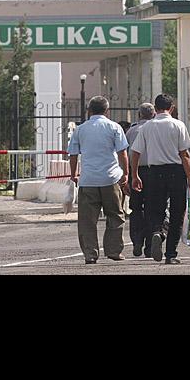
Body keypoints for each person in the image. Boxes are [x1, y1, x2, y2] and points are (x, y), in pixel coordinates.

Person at [130, 94, 190, 264]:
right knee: (176, 213)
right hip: (175, 172)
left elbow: (135, 152)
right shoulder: (178, 125)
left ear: (156, 107)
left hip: (154, 172)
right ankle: (171, 254)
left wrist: (135, 175)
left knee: (155, 209)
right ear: (172, 108)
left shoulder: (147, 127)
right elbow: (185, 154)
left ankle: (157, 233)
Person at [67, 95, 130, 264]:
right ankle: (114, 251)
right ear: (107, 111)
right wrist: (126, 174)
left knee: (87, 220)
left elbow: (73, 154)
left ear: (89, 110)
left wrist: (73, 174)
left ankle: (90, 254)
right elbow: (122, 153)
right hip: (111, 178)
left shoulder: (80, 129)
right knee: (116, 216)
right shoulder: (114, 127)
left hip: (88, 180)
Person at [125, 103, 166, 258]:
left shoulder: (131, 131)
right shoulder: (157, 129)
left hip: (136, 170)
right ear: (154, 114)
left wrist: (128, 177)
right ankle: (149, 246)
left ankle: (136, 240)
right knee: (152, 208)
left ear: (139, 115)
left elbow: (127, 154)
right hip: (154, 171)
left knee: (136, 208)